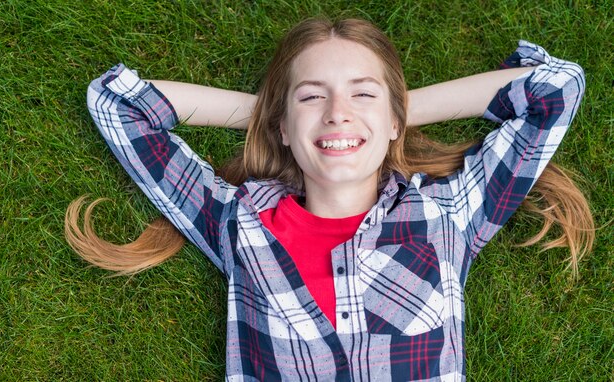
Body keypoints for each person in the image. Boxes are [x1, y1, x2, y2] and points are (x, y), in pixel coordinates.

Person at [66, 18, 593, 381]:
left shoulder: (447, 215)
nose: (338, 111)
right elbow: (117, 104)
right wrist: (284, 119)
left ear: (395, 121)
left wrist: (391, 114)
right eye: (313, 95)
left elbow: (556, 87)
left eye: (361, 92)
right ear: (283, 129)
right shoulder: (239, 224)